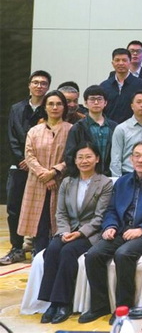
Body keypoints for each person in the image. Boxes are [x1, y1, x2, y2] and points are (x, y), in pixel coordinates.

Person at [79, 140, 142, 324]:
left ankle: (123, 308)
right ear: (131, 158)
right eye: (137, 155)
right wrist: (110, 226)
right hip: (121, 230)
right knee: (93, 255)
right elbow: (111, 209)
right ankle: (99, 306)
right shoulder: (122, 181)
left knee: (123, 254)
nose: (140, 160)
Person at [37, 142, 113, 324]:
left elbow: (100, 216)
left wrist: (79, 233)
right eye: (80, 157)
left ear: (97, 159)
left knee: (68, 251)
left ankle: (63, 303)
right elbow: (60, 213)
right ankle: (51, 303)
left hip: (90, 233)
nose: (84, 161)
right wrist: (64, 232)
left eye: (88, 157)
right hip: (68, 230)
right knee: (52, 249)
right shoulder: (67, 182)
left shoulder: (105, 183)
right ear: (75, 160)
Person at [3, 69, 51, 265]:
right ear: (29, 85)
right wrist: (22, 159)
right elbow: (12, 137)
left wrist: (33, 163)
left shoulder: (50, 107)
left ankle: (38, 247)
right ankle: (17, 247)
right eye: (36, 82)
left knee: (40, 208)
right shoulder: (16, 108)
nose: (39, 86)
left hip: (40, 167)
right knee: (14, 207)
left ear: (48, 87)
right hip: (19, 166)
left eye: (43, 83)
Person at [19, 90, 72, 253]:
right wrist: (44, 175)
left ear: (64, 107)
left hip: (60, 182)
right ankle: (39, 257)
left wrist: (54, 172)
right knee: (40, 225)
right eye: (51, 104)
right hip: (37, 182)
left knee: (58, 223)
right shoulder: (34, 131)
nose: (55, 107)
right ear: (45, 107)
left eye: (59, 104)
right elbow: (29, 156)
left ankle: (54, 257)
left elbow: (72, 156)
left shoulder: (71, 130)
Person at [64, 85, 117, 176]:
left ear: (105, 103)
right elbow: (70, 155)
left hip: (109, 176)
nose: (96, 102)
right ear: (85, 103)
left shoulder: (114, 127)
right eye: (92, 99)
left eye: (99, 99)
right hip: (85, 176)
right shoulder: (78, 127)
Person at [109, 90, 142, 177]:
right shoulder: (121, 129)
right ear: (132, 106)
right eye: (139, 102)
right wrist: (118, 180)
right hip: (128, 174)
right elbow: (116, 159)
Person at [100, 47, 142, 123]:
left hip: (134, 127)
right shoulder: (104, 86)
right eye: (117, 60)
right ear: (112, 63)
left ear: (130, 62)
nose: (121, 63)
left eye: (124, 60)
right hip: (109, 128)